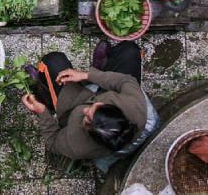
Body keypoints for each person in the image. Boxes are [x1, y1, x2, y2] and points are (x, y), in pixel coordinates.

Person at [20, 41, 158, 172]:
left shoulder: (77, 145)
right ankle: (101, 67)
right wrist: (87, 75)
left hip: (72, 103)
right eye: (94, 108)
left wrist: (42, 112)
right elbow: (125, 80)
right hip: (99, 90)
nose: (85, 109)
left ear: (90, 134)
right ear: (112, 108)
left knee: (53, 60)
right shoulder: (134, 105)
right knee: (130, 50)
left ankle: (45, 92)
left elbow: (52, 142)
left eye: (86, 119)